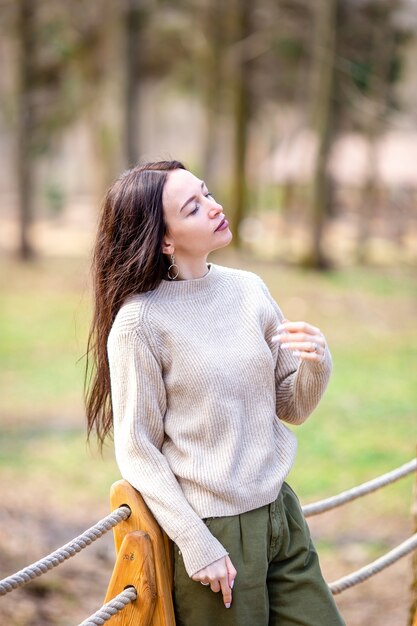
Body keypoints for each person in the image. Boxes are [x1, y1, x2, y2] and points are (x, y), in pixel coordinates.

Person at [85, 160, 345, 626]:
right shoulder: (140, 324)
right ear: (164, 239)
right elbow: (138, 449)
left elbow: (291, 407)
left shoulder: (249, 290)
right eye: (193, 207)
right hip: (213, 533)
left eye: (206, 193)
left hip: (280, 513)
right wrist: (195, 542)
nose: (214, 207)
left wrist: (316, 363)